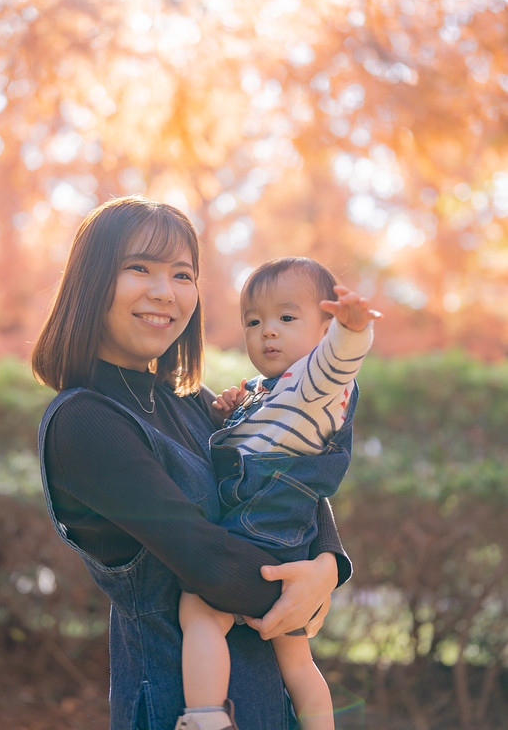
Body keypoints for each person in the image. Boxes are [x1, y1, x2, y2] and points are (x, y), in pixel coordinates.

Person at [32, 196, 354, 730]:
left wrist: (327, 567)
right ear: (92, 282)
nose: (166, 292)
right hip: (176, 707)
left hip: (270, 701)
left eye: (182, 274)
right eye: (139, 267)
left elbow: (283, 475)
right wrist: (299, 591)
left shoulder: (193, 401)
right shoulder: (84, 421)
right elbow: (204, 559)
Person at [179, 257, 382, 730]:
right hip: (288, 543)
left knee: (201, 612)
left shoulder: (316, 380)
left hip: (258, 529)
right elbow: (254, 433)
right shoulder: (265, 389)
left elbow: (340, 359)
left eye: (287, 318)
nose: (267, 331)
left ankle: (205, 717)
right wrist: (228, 412)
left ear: (324, 329)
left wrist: (352, 330)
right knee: (297, 661)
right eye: (253, 322)